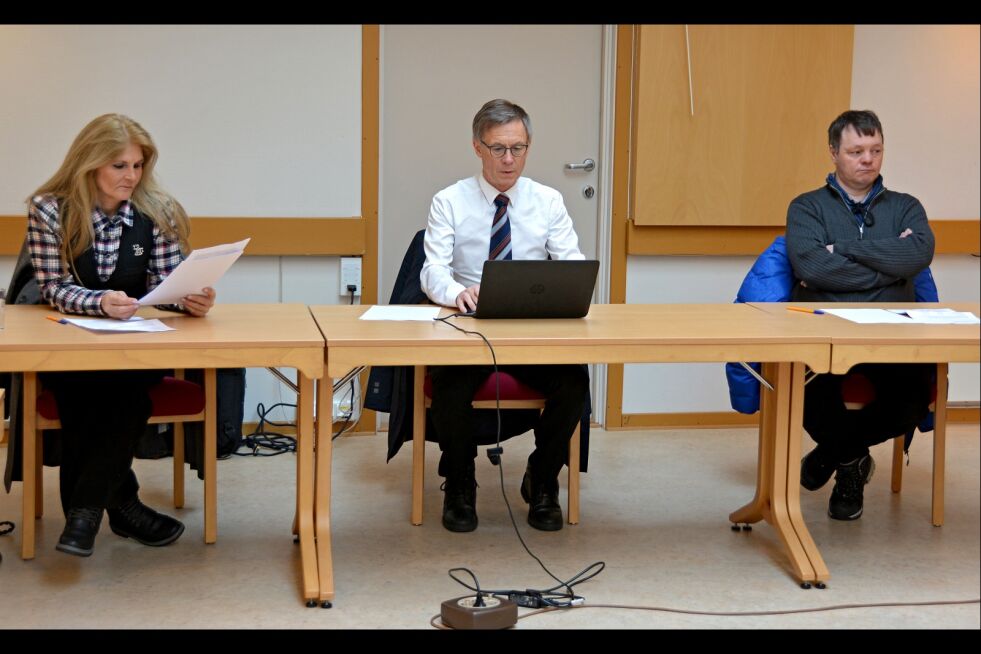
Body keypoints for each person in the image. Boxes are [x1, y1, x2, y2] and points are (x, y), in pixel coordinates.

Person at [26, 113, 216, 556]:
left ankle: (83, 514)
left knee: (121, 389)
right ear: (89, 164)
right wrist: (99, 302)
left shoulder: (158, 210)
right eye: (120, 166)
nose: (132, 176)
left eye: (138, 165)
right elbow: (52, 286)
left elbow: (165, 283)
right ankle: (120, 505)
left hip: (136, 345)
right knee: (108, 397)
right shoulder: (50, 209)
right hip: (69, 345)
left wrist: (189, 298)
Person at [420, 99, 589, 533]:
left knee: (573, 382)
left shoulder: (547, 201)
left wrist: (560, 288)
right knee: (449, 382)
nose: (509, 159)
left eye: (519, 148)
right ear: (478, 147)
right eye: (499, 149)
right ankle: (460, 483)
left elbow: (571, 263)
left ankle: (543, 477)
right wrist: (459, 292)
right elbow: (432, 269)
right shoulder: (449, 200)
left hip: (531, 329)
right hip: (469, 327)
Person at [785, 109, 935, 521]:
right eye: (856, 151)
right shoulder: (806, 208)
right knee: (803, 392)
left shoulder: (907, 208)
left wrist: (843, 250)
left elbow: (918, 254)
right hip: (823, 332)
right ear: (834, 153)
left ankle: (836, 454)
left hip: (894, 333)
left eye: (875, 150)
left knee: (914, 399)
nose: (867, 159)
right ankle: (852, 463)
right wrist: (888, 264)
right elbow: (812, 268)